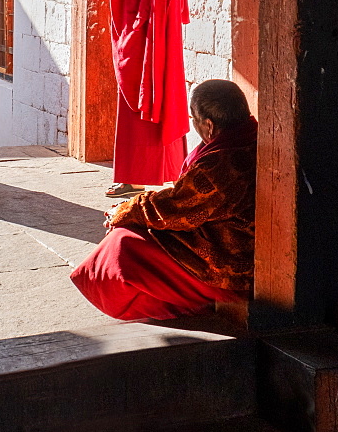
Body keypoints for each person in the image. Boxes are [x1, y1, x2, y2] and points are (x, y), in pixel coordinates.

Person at [71, 79, 257, 322]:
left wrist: (125, 210)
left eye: (194, 119)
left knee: (123, 245)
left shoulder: (221, 163)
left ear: (209, 125)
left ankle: (180, 307)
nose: (194, 126)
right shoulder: (251, 138)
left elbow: (175, 208)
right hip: (234, 238)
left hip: (232, 264)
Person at [106, 0, 189, 199]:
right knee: (131, 109)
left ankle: (173, 172)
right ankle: (132, 178)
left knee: (164, 98)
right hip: (136, 45)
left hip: (161, 45)